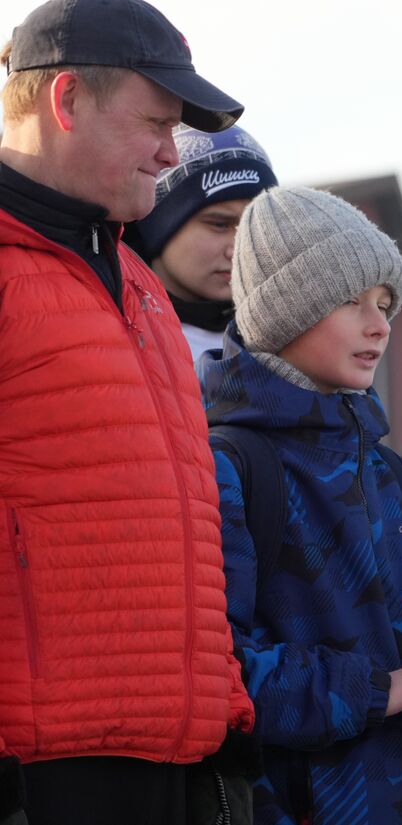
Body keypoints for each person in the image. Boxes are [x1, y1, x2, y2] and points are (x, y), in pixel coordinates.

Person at [0, 1, 255, 823]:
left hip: (171, 761)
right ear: (66, 101)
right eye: (154, 123)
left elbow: (183, 521)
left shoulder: (140, 283)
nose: (168, 152)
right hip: (43, 774)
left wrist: (223, 716)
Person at [198, 185, 402, 824]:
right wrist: (376, 692)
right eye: (348, 301)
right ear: (284, 312)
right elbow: (218, 670)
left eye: (385, 303)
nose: (379, 323)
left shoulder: (389, 472)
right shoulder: (230, 466)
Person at [130, 123, 278, 358]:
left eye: (255, 226)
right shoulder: (114, 334)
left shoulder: (289, 343)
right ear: (159, 224)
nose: (238, 250)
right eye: (219, 224)